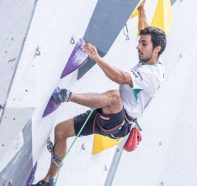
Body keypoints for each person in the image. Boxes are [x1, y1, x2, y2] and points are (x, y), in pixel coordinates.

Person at [33, 1, 166, 185]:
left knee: (115, 95)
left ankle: (66, 96)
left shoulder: (151, 75)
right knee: (61, 131)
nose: (138, 47)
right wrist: (142, 8)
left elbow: (120, 77)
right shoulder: (153, 59)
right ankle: (48, 180)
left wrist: (96, 57)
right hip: (110, 115)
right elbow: (146, 29)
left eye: (143, 44)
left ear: (156, 49)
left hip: (119, 123)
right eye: (140, 43)